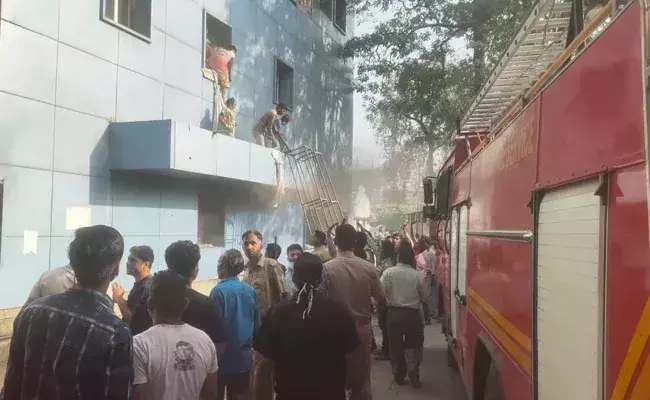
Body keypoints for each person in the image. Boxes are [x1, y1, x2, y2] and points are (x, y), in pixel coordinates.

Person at [2, 225, 132, 399]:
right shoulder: (116, 333)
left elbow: (11, 386)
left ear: (74, 264)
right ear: (116, 271)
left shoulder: (31, 313)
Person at [253, 253, 360, 400]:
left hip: (290, 394)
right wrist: (356, 391)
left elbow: (264, 365)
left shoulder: (279, 312)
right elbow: (352, 358)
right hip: (331, 393)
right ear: (321, 279)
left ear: (294, 278)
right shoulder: (339, 312)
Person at [322, 224, 387, 400]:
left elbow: (321, 298)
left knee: (336, 378)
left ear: (336, 242)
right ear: (355, 242)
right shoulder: (368, 267)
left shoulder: (327, 269)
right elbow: (382, 299)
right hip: (361, 332)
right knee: (362, 381)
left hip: (334, 332)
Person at [132, 270, 219, 400]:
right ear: (185, 304)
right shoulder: (205, 341)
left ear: (150, 304)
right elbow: (211, 395)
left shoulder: (139, 345)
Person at [130, 241, 226, 353]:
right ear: (195, 269)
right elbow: (219, 348)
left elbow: (135, 336)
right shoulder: (207, 305)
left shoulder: (149, 301)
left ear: (169, 267)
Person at [241, 230, 286, 400]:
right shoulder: (245, 268)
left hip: (269, 328)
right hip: (250, 328)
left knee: (264, 375)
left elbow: (284, 297)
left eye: (253, 243)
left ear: (261, 244)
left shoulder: (271, 265)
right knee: (254, 374)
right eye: (246, 244)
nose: (249, 247)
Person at [210, 249, 260, 400]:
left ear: (224, 267)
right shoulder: (250, 291)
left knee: (216, 395)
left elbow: (214, 326)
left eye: (219, 264)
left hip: (221, 358)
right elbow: (257, 324)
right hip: (243, 357)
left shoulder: (218, 292)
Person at [381, 241, 428, 388]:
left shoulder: (388, 273)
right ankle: (413, 369)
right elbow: (425, 296)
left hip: (393, 314)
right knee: (414, 345)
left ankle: (398, 374)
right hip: (412, 315)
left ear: (398, 257)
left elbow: (381, 293)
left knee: (395, 346)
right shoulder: (417, 275)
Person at [112, 245, 154, 323]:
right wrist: (121, 300)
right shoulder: (141, 285)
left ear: (146, 264)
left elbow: (135, 321)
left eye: (133, 260)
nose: (127, 263)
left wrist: (119, 299)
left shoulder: (148, 287)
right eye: (128, 259)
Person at [375, 240, 396, 361]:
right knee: (385, 326)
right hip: (388, 298)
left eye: (381, 248)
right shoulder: (390, 261)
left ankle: (387, 351)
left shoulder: (386, 264)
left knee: (385, 327)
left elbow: (379, 280)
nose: (380, 250)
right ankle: (386, 349)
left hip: (385, 298)